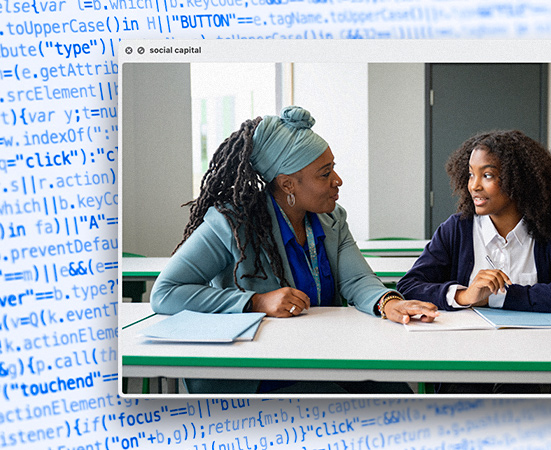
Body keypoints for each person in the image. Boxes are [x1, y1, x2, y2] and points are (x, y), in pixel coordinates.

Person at [151, 106, 438, 394]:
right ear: (287, 183)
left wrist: (388, 303)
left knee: (398, 395)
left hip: (322, 357)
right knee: (346, 406)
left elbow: (357, 280)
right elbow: (166, 292)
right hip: (256, 372)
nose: (337, 180)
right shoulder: (232, 223)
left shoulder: (331, 219)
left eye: (333, 168)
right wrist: (256, 302)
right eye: (324, 174)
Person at [397, 129, 551, 394]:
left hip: (534, 364)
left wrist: (494, 298)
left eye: (487, 175)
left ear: (518, 181)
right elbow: (408, 286)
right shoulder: (457, 229)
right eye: (470, 174)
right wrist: (465, 295)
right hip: (464, 366)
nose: (474, 185)